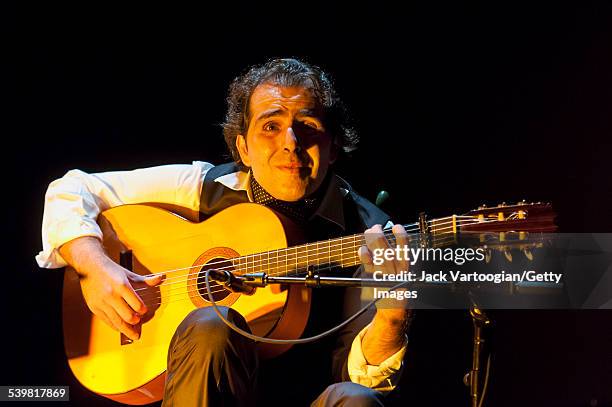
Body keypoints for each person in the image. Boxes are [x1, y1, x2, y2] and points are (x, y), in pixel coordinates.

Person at [37, 58, 413, 406]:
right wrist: (95, 267)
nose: (290, 143)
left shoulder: (372, 234)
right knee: (213, 322)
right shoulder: (203, 186)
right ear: (244, 148)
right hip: (199, 389)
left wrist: (393, 318)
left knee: (356, 400)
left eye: (308, 127)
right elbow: (73, 189)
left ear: (333, 149)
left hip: (303, 397)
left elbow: (361, 379)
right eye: (271, 126)